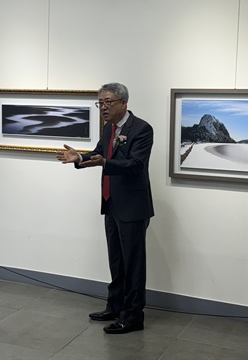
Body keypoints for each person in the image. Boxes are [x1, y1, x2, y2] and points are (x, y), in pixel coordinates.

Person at [56, 82, 154, 334]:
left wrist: (106, 163)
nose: (103, 108)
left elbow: (135, 165)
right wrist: (79, 158)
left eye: (108, 102)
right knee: (116, 260)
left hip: (132, 207)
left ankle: (133, 316)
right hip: (111, 203)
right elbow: (100, 153)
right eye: (101, 103)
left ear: (124, 103)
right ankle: (115, 306)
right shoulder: (109, 129)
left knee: (133, 263)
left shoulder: (142, 129)